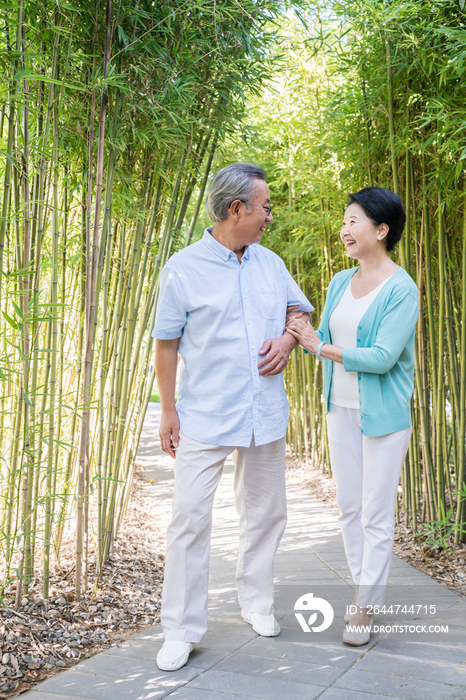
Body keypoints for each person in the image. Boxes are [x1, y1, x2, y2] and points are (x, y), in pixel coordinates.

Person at [153, 162, 313, 671]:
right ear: (236, 209)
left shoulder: (272, 263)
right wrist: (168, 410)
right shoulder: (182, 267)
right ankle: (180, 629)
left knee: (266, 514)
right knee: (189, 521)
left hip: (263, 412)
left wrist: (289, 338)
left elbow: (299, 312)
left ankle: (257, 603)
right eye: (265, 206)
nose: (270, 215)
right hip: (204, 414)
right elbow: (166, 343)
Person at [286, 186, 418, 647]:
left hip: (381, 415)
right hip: (338, 408)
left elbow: (382, 357)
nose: (344, 229)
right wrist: (305, 331)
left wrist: (318, 346)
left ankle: (364, 608)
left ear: (381, 230)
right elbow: (327, 333)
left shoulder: (402, 288)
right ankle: (365, 591)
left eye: (354, 221)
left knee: (376, 515)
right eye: (344, 221)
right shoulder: (340, 281)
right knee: (349, 510)